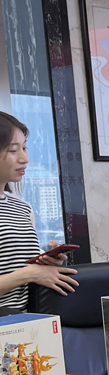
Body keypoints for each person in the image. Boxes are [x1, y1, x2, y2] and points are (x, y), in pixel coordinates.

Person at [0, 111, 77, 313]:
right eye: (13, 150)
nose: (24, 158)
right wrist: (30, 274)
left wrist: (46, 261)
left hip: (25, 323)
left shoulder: (23, 209)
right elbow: (25, 274)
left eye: (25, 148)